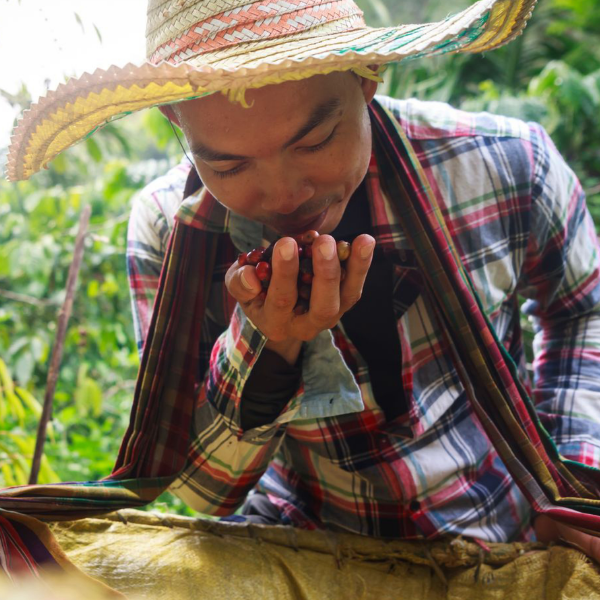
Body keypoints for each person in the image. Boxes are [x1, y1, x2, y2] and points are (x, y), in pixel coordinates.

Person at [7, 0, 600, 563]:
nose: (286, 196)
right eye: (228, 164)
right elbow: (200, 490)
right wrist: (267, 344)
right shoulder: (171, 231)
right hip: (301, 548)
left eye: (315, 141)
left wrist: (576, 472)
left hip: (508, 527)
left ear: (367, 78)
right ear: (176, 123)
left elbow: (582, 307)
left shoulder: (503, 164)